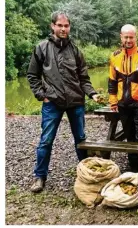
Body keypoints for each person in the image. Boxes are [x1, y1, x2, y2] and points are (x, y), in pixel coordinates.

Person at [27, 11, 100, 193]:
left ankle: (86, 173)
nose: (63, 29)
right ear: (52, 26)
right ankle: (40, 176)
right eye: (59, 25)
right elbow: (32, 75)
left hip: (76, 102)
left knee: (81, 140)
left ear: (69, 27)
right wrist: (41, 94)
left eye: (66, 26)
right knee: (46, 140)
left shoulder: (75, 50)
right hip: (52, 102)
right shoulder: (42, 48)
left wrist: (92, 94)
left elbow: (84, 78)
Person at [108, 24, 138, 172]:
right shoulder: (115, 56)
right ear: (121, 37)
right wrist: (113, 100)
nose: (128, 40)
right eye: (126, 37)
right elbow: (112, 80)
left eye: (131, 37)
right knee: (129, 135)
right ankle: (134, 168)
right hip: (123, 103)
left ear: (136, 37)